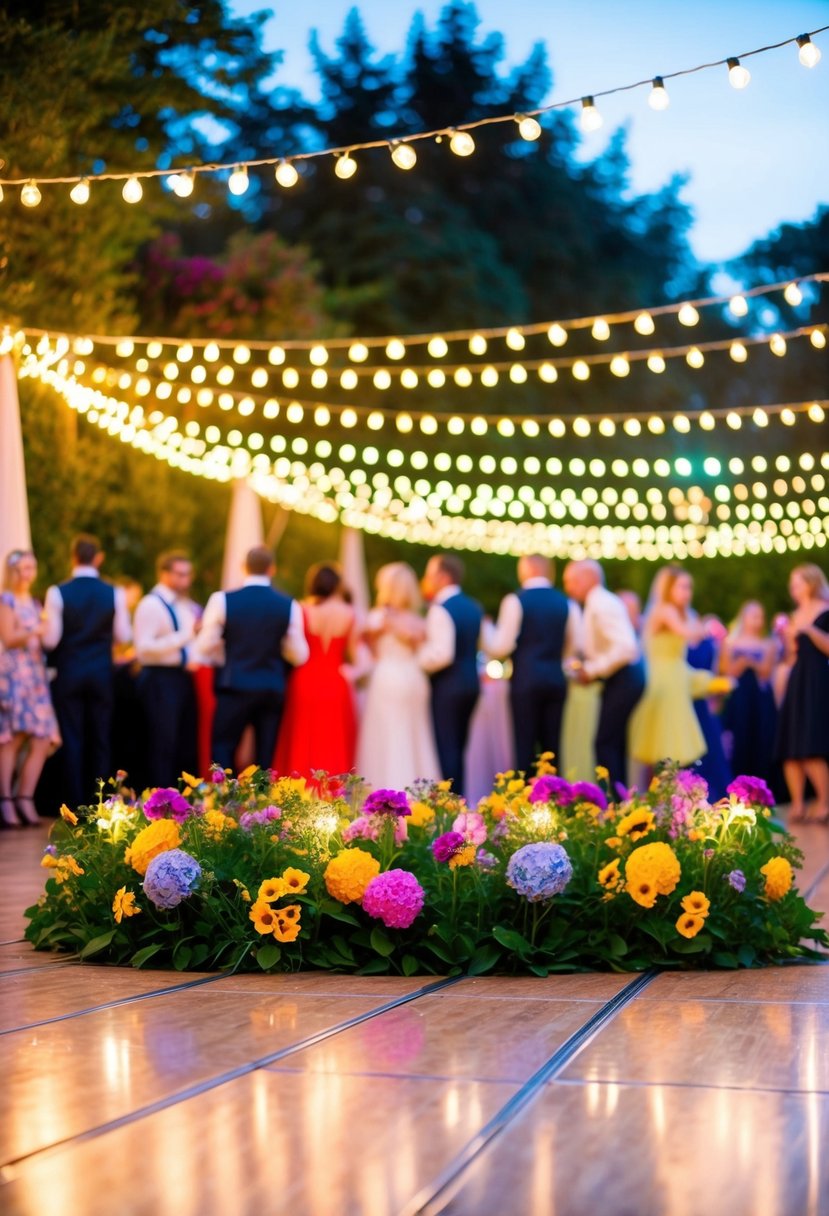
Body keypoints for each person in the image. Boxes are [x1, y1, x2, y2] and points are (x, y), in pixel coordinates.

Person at [196, 545, 309, 772]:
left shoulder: (222, 600)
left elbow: (204, 647)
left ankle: (223, 802)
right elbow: (299, 655)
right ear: (272, 569)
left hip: (233, 684)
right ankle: (263, 805)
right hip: (271, 686)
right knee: (265, 755)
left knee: (223, 748)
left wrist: (224, 651)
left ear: (243, 568)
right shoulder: (289, 604)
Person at [42, 534, 132, 809]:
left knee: (72, 737)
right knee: (101, 738)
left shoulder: (58, 592)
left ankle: (73, 804)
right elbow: (124, 634)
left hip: (69, 672)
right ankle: (100, 804)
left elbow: (51, 640)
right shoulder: (113, 592)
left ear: (73, 557)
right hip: (102, 674)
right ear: (99, 558)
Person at [485, 555, 581, 775]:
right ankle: (555, 800)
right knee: (553, 747)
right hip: (556, 680)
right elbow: (576, 644)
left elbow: (501, 646)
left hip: (525, 681)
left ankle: (526, 803)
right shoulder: (567, 602)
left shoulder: (515, 600)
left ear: (526, 570)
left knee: (524, 746)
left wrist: (487, 631)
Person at [356, 562, 441, 791]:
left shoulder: (377, 617)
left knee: (388, 735)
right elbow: (419, 646)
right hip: (414, 677)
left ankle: (387, 790)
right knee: (415, 735)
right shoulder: (417, 619)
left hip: (388, 677)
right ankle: (418, 789)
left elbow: (369, 650)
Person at [562, 560, 645, 791]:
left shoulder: (602, 604)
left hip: (624, 678)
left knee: (605, 744)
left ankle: (613, 806)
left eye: (573, 581)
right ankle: (619, 803)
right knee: (613, 744)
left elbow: (626, 647)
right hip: (620, 679)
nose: (569, 588)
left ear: (590, 578)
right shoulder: (594, 604)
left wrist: (592, 670)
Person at [274, 561, 358, 782]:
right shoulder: (349, 613)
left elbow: (291, 647)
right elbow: (353, 655)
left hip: (305, 679)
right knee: (333, 741)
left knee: (302, 737)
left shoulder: (302, 610)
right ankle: (333, 792)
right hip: (335, 682)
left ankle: (298, 789)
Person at [0, 550, 61, 826]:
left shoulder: (35, 603)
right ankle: (7, 801)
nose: (28, 573)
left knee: (41, 738)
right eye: (23, 568)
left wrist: (45, 630)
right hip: (16, 674)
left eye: (31, 567)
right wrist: (34, 630)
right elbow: (10, 638)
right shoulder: (6, 600)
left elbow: (44, 637)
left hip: (35, 674)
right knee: (14, 738)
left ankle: (25, 797)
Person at [628, 566, 708, 772]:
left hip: (677, 677)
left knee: (676, 736)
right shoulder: (664, 610)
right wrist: (707, 627)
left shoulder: (683, 613)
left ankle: (679, 794)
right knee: (668, 738)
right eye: (681, 586)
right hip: (662, 679)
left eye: (689, 587)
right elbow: (690, 634)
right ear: (668, 588)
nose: (686, 592)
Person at [418, 554, 483, 798]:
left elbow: (442, 654)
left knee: (447, 748)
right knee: (459, 748)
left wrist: (418, 661)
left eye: (430, 574)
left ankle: (450, 804)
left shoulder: (440, 609)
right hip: (470, 684)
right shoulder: (473, 606)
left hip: (447, 686)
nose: (426, 580)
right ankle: (458, 798)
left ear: (443, 577)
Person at [133, 552, 199, 787]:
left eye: (188, 575)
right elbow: (143, 649)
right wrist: (184, 637)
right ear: (164, 574)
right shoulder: (150, 605)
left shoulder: (183, 605)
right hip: (158, 678)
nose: (185, 581)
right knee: (161, 742)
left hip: (181, 678)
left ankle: (177, 800)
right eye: (180, 575)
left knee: (181, 743)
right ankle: (158, 800)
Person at [775, 564, 829, 823]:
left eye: (797, 583)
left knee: (810, 744)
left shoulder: (825, 611)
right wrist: (787, 639)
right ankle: (797, 804)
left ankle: (823, 802)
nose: (793, 589)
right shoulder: (795, 615)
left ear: (811, 582)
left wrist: (808, 630)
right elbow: (790, 656)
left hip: (817, 678)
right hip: (797, 678)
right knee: (791, 744)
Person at [721, 601, 779, 786]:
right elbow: (725, 671)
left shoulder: (768, 644)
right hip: (738, 700)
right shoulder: (730, 642)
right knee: (738, 740)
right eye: (754, 616)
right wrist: (741, 663)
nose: (757, 621)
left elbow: (767, 671)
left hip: (759, 701)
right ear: (744, 617)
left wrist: (750, 662)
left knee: (760, 739)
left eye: (760, 616)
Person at [687, 615, 732, 801]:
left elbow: (717, 673)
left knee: (711, 752)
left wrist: (716, 699)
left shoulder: (711, 645)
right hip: (686, 703)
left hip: (704, 703)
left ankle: (716, 798)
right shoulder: (681, 643)